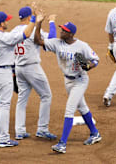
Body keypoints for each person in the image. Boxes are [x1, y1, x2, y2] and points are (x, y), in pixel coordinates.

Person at [33, 14, 101, 154]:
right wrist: (38, 23)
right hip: (68, 81)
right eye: (61, 29)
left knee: (70, 109)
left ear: (70, 34)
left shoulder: (82, 46)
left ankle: (62, 143)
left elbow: (96, 59)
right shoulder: (57, 43)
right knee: (82, 107)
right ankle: (95, 134)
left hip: (80, 80)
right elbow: (37, 40)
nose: (61, 32)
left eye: (64, 30)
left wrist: (89, 65)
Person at [0, 4, 38, 147]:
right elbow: (26, 34)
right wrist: (34, 18)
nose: (7, 22)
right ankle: (4, 139)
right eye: (6, 20)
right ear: (1, 23)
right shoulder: (5, 37)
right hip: (3, 73)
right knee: (4, 106)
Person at [12, 6, 57, 140]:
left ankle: (19, 131)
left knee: (21, 99)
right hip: (32, 68)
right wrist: (51, 22)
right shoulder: (32, 31)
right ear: (28, 17)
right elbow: (52, 39)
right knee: (46, 96)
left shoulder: (14, 31)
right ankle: (42, 129)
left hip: (19, 68)